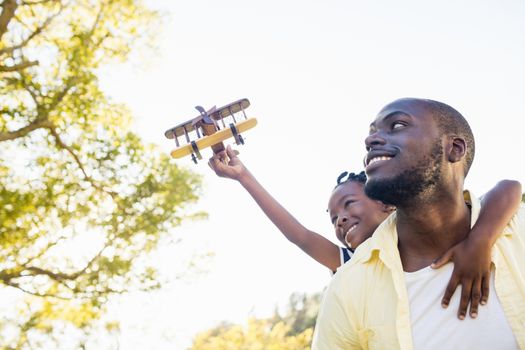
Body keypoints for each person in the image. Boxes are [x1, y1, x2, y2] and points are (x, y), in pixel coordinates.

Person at [208, 145, 521, 319]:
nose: (340, 220)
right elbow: (300, 235)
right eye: (333, 218)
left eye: (348, 205)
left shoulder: (430, 225)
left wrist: (479, 241)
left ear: (386, 203)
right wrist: (243, 177)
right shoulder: (354, 262)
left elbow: (508, 189)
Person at [312, 98, 525, 350]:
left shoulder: (517, 229)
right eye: (371, 133)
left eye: (398, 125)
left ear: (454, 148)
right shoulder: (347, 289)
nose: (370, 141)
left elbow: (509, 186)